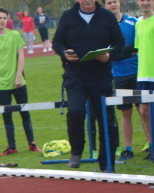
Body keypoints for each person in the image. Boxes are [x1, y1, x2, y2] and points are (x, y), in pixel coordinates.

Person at [53, 0, 125, 170]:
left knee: (106, 118)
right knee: (76, 111)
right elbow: (57, 42)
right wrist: (64, 53)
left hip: (101, 76)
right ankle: (76, 151)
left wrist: (109, 55)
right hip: (75, 75)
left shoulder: (106, 16)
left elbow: (119, 42)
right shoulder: (68, 16)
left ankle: (107, 163)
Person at [0, 6, 41, 156]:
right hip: (2, 84)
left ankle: (31, 143)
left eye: (4, 18)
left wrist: (18, 75)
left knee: (24, 112)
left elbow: (21, 55)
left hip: (18, 82)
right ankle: (12, 146)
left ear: (8, 19)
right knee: (7, 115)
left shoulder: (15, 35)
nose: (2, 21)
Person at [105, 0, 144, 160]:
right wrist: (122, 53)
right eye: (109, 3)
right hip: (119, 75)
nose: (113, 5)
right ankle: (128, 149)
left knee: (144, 111)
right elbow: (109, 54)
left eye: (114, 1)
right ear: (105, 6)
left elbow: (138, 45)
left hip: (138, 72)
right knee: (125, 112)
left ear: (119, 3)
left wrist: (119, 52)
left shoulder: (132, 22)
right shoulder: (105, 26)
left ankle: (153, 144)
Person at [134, 0, 154, 160]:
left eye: (148, 0)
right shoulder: (138, 23)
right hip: (142, 75)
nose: (145, 3)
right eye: (142, 0)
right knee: (144, 111)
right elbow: (140, 49)